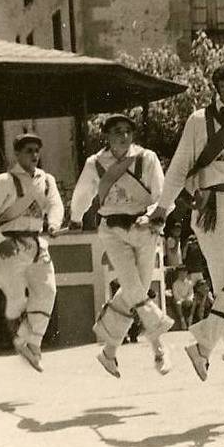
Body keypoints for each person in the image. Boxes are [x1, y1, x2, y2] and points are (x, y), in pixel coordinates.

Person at [150, 58, 224, 382]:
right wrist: (163, 207)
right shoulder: (198, 121)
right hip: (211, 209)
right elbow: (178, 168)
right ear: (221, 86)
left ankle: (203, 347)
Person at [70, 113, 173, 378]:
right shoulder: (95, 164)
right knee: (134, 288)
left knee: (133, 291)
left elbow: (163, 195)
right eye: (117, 131)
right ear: (106, 135)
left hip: (143, 228)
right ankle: (159, 347)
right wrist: (75, 218)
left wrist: (151, 215)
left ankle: (109, 352)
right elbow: (83, 194)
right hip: (112, 231)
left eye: (128, 130)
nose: (123, 136)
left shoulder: (146, 158)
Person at [0, 133, 64, 372]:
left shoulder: (47, 180)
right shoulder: (5, 181)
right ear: (17, 154)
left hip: (37, 244)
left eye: (37, 150)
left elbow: (56, 205)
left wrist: (55, 223)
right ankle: (21, 338)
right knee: (16, 300)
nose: (34, 155)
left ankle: (32, 343)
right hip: (10, 246)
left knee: (48, 291)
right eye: (28, 150)